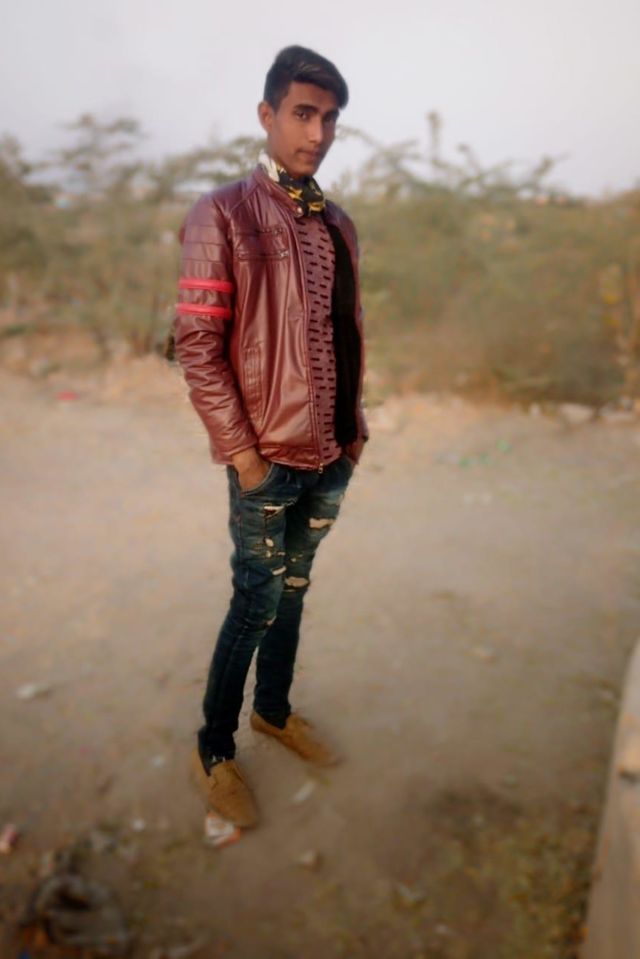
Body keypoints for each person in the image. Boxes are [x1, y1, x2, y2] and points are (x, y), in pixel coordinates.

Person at [171, 45, 367, 828]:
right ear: (267, 115)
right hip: (266, 460)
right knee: (255, 599)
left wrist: (355, 431)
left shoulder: (339, 223)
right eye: (303, 113)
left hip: (331, 456)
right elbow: (197, 346)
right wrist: (245, 456)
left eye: (330, 119)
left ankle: (274, 712)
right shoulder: (221, 213)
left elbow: (345, 332)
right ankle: (213, 749)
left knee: (295, 589)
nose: (317, 133)